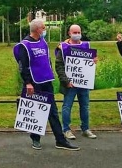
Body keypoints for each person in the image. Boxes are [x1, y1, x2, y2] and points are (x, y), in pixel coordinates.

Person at [13, 18, 80, 151]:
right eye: (43, 28)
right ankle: (35, 139)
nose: (45, 30)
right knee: (36, 112)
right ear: (37, 29)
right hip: (34, 83)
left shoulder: (43, 42)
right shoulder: (24, 45)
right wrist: (28, 83)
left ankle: (60, 140)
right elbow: (23, 66)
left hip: (46, 81)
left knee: (53, 112)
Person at [55, 24, 98, 140]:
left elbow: (91, 63)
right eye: (74, 32)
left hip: (83, 84)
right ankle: (66, 130)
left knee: (85, 106)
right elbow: (58, 66)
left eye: (78, 32)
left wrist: (94, 60)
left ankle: (85, 128)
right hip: (70, 84)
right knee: (67, 107)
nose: (77, 35)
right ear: (69, 33)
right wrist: (66, 81)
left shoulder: (86, 45)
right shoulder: (63, 47)